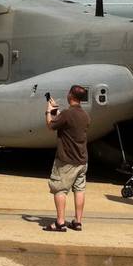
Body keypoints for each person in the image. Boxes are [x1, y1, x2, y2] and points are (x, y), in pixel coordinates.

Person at [44, 85, 90, 231]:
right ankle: (77, 222)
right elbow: (70, 124)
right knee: (79, 190)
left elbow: (51, 125)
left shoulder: (66, 114)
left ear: (70, 95)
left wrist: (48, 111)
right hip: (82, 160)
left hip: (66, 160)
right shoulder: (85, 115)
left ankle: (60, 222)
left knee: (60, 189)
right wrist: (58, 113)